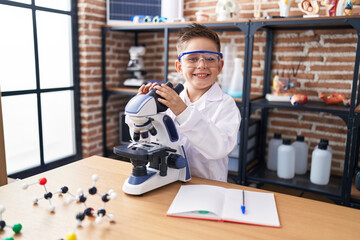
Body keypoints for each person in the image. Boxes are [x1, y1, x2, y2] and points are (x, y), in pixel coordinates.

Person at [132, 23, 241, 182]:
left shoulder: (226, 105)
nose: (202, 65)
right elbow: (145, 142)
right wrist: (141, 114)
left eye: (210, 58)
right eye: (193, 58)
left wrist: (183, 112)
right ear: (179, 67)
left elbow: (219, 148)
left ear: (220, 66)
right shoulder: (166, 100)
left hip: (208, 185)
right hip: (167, 181)